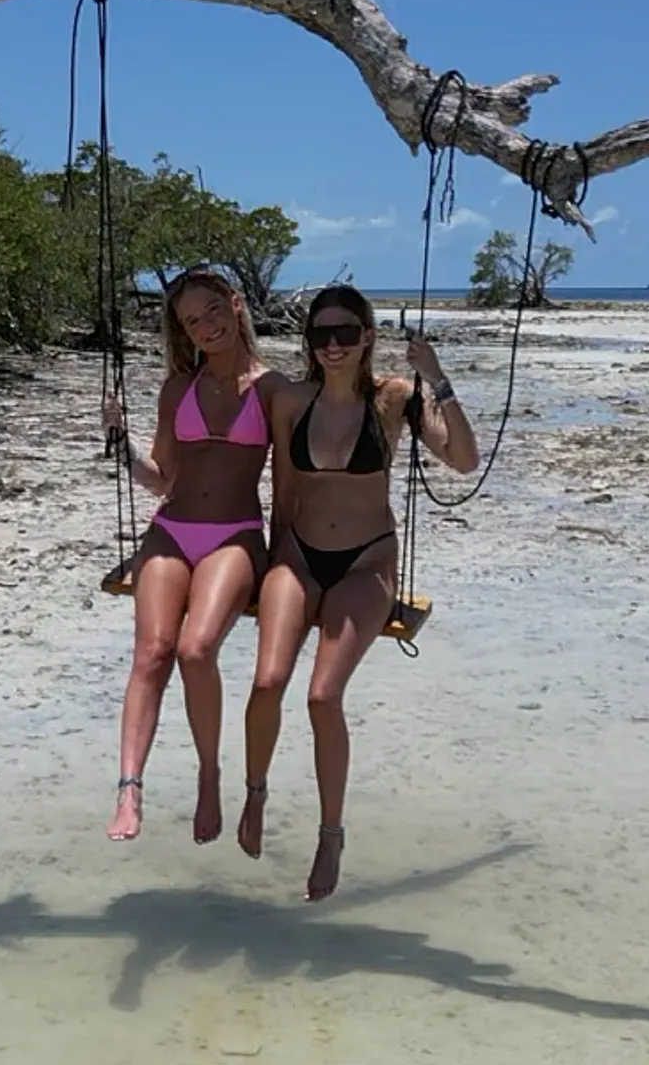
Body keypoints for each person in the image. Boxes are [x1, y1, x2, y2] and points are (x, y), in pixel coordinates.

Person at [241, 285, 478, 900]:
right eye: (321, 335)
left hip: (365, 563)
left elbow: (463, 459)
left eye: (346, 332)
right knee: (268, 683)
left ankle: (330, 834)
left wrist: (438, 378)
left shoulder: (393, 399)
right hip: (298, 557)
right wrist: (272, 568)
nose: (334, 346)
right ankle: (255, 792)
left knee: (322, 697)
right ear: (309, 342)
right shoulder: (293, 402)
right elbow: (284, 493)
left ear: (368, 336)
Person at [102, 269, 281, 844]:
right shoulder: (178, 389)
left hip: (235, 535)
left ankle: (209, 773)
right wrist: (120, 445)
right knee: (153, 651)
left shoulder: (274, 388)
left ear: (235, 303)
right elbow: (161, 480)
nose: (205, 326)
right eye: (190, 321)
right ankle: (130, 787)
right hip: (173, 529)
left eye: (212, 310)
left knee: (196, 648)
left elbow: (318, 457)